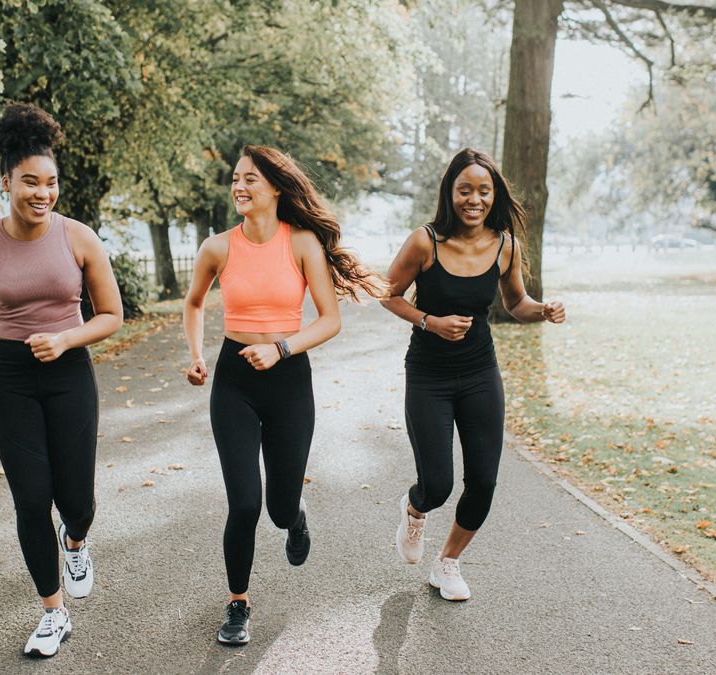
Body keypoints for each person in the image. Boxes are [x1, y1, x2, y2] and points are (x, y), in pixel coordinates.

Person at [183, 145, 380, 645]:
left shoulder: (303, 244)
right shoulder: (218, 247)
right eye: (235, 179)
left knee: (278, 506)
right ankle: (237, 605)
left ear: (274, 187)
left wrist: (281, 348)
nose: (239, 187)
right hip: (234, 382)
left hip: (289, 380)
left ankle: (296, 516)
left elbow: (330, 320)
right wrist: (196, 355)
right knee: (245, 502)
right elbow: (194, 303)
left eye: (250, 179)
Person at [0, 103, 123, 657]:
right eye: (30, 181)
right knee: (31, 498)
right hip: (9, 377)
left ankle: (75, 540)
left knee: (77, 499)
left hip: (69, 371)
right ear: (6, 182)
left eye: (50, 182)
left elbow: (111, 315)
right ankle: (53, 613)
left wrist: (67, 339)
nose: (42, 193)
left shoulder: (78, 238)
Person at [380, 147, 565, 601]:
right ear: (451, 193)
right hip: (428, 376)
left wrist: (542, 310)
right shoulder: (425, 241)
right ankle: (415, 507)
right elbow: (388, 294)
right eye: (465, 190)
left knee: (483, 480)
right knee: (438, 483)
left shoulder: (505, 245)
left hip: (481, 372)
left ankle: (448, 564)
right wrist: (430, 321)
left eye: (484, 190)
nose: (474, 199)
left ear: (494, 194)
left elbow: (515, 303)